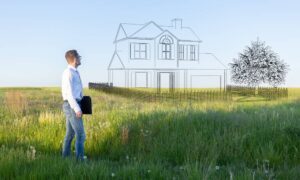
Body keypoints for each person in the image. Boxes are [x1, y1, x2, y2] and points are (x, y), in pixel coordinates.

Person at [61, 49, 86, 160]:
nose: (80, 59)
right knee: (81, 134)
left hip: (75, 104)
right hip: (71, 105)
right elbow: (69, 94)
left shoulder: (75, 72)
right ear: (75, 59)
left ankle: (65, 157)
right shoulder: (68, 73)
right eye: (79, 57)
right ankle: (80, 160)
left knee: (70, 134)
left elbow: (77, 91)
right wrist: (77, 109)